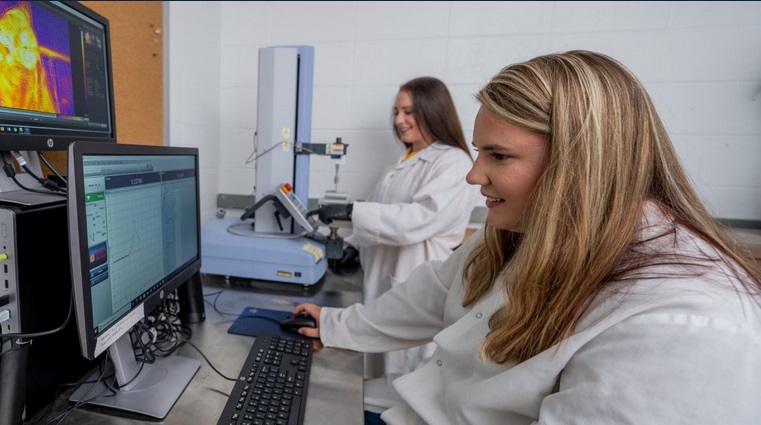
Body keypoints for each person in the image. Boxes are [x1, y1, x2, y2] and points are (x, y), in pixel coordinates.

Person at [293, 50, 761, 425]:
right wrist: (333, 325)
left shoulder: (684, 321)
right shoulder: (522, 231)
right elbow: (435, 292)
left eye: (498, 156)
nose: (474, 175)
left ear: (580, 165)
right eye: (480, 152)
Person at [308, 77, 479, 378]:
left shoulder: (454, 162)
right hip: (381, 285)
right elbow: (380, 217)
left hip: (414, 285)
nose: (400, 120)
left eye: (409, 111)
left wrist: (350, 211)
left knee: (401, 376)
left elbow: (418, 219)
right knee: (376, 373)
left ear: (433, 111)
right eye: (396, 112)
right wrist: (351, 247)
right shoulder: (400, 162)